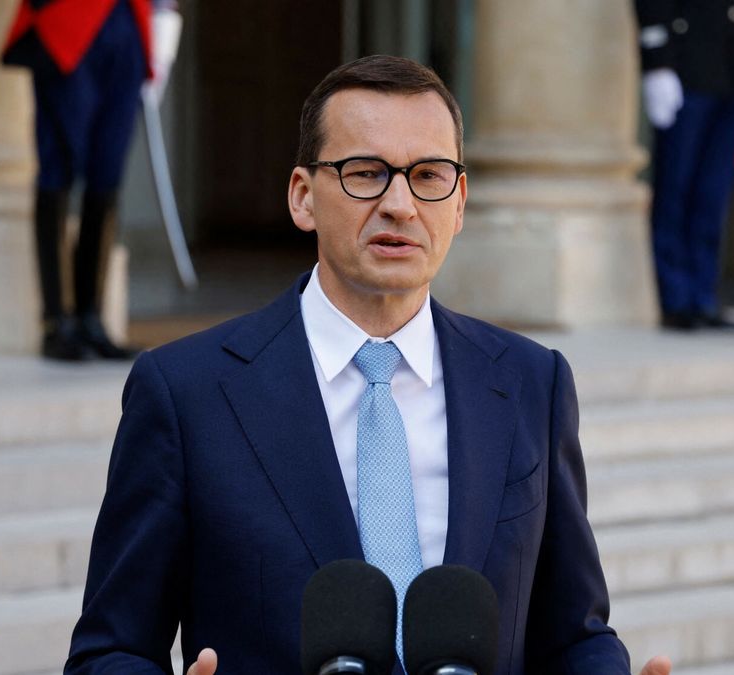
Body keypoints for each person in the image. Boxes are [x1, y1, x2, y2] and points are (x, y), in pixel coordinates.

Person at [64, 56, 671, 675]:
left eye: (429, 175)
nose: (400, 205)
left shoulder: (531, 383)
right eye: (366, 173)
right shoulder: (185, 393)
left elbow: (574, 635)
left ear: (459, 203)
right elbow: (108, 651)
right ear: (303, 197)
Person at [1, 0, 181, 362]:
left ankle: (91, 317)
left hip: (130, 21)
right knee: (59, 169)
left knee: (107, 173)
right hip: (66, 19)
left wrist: (165, 25)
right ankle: (57, 321)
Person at [635, 0, 734, 332]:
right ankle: (675, 298)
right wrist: (657, 62)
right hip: (686, 67)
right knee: (675, 192)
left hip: (733, 71)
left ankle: (704, 296)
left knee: (713, 195)